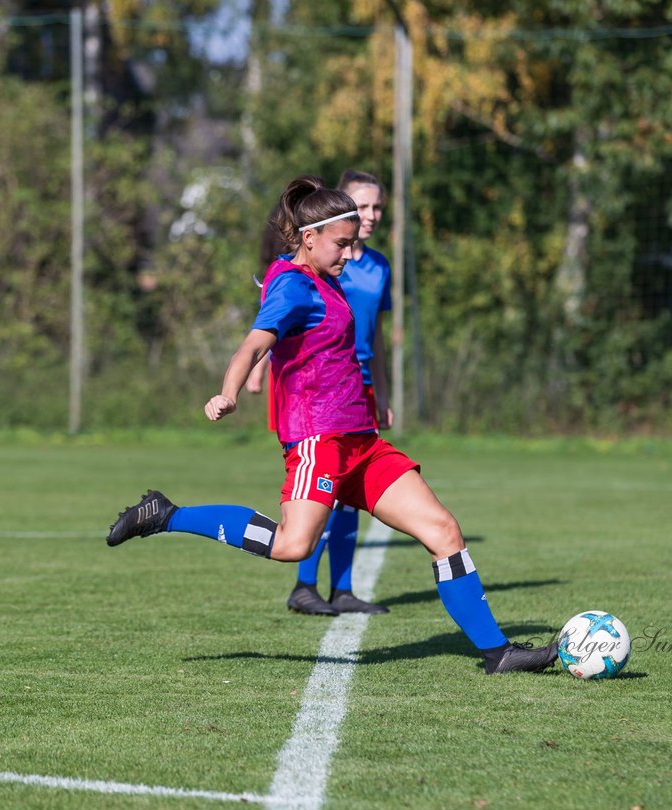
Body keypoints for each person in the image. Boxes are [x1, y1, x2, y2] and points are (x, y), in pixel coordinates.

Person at [107, 176, 558, 675]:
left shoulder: (327, 277)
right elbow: (254, 343)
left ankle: (498, 653)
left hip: (363, 443)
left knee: (444, 530)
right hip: (318, 442)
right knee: (292, 546)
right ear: (309, 238)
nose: (349, 252)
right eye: (342, 243)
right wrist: (229, 391)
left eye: (352, 241)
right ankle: (166, 514)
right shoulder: (294, 286)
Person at [246, 169, 393, 617]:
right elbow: (278, 321)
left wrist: (382, 391)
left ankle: (343, 587)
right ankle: (306, 583)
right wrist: (253, 372)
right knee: (318, 491)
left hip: (357, 386)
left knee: (351, 494)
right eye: (361, 206)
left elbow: (377, 335)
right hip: (314, 391)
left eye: (377, 207)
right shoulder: (318, 263)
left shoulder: (378, 267)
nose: (370, 215)